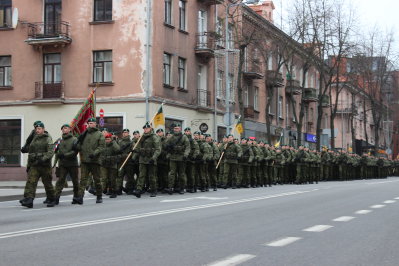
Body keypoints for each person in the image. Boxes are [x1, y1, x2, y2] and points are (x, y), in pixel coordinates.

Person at [20, 122, 56, 208]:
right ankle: (29, 200)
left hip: (45, 165)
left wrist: (42, 159)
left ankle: (52, 198)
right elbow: (31, 150)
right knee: (31, 182)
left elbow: (51, 152)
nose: (37, 130)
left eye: (39, 129)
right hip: (34, 164)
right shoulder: (34, 138)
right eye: (36, 129)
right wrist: (25, 149)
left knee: (47, 183)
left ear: (43, 129)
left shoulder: (47, 138)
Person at [76, 117, 105, 204]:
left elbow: (102, 147)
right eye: (89, 123)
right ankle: (80, 197)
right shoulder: (84, 134)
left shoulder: (99, 134)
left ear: (95, 124)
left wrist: (94, 153)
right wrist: (76, 146)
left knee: (97, 180)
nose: (91, 125)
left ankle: (99, 196)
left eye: (92, 123)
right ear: (87, 124)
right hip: (85, 160)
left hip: (95, 161)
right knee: (83, 180)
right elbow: (79, 145)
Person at [132, 122, 161, 198]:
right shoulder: (141, 137)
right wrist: (134, 153)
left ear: (150, 129)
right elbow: (138, 148)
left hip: (151, 159)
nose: (145, 130)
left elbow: (158, 150)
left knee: (152, 176)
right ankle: (138, 190)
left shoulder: (154, 137)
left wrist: (153, 158)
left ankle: (154, 189)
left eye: (147, 128)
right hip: (142, 159)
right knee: (141, 175)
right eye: (144, 128)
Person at [54, 124, 79, 205]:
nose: (64, 130)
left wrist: (65, 155)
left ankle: (76, 197)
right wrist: (58, 153)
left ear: (69, 129)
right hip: (62, 164)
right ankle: (56, 198)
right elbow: (54, 149)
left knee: (75, 181)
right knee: (60, 181)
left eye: (66, 128)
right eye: (63, 128)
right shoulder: (59, 140)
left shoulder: (74, 139)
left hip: (72, 163)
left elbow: (75, 151)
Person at [165, 123, 190, 194]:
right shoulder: (171, 137)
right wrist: (168, 147)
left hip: (182, 158)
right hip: (173, 157)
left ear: (180, 129)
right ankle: (171, 187)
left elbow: (188, 147)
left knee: (181, 174)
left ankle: (182, 187)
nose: (176, 130)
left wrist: (185, 155)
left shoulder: (184, 137)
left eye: (177, 128)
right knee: (172, 173)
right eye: (175, 128)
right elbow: (165, 145)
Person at [102, 133, 120, 198]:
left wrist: (114, 141)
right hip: (105, 164)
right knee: (105, 178)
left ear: (111, 139)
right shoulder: (103, 145)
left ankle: (114, 191)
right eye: (106, 139)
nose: (107, 140)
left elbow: (118, 150)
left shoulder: (113, 144)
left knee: (112, 179)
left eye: (109, 139)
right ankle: (109, 190)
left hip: (112, 164)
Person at [117, 129, 134, 194]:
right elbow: (117, 150)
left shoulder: (131, 142)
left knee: (130, 176)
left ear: (128, 133)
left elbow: (134, 151)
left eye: (126, 132)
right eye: (124, 132)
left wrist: (132, 156)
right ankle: (119, 189)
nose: (124, 134)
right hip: (121, 161)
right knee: (120, 175)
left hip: (128, 161)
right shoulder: (119, 141)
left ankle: (129, 188)